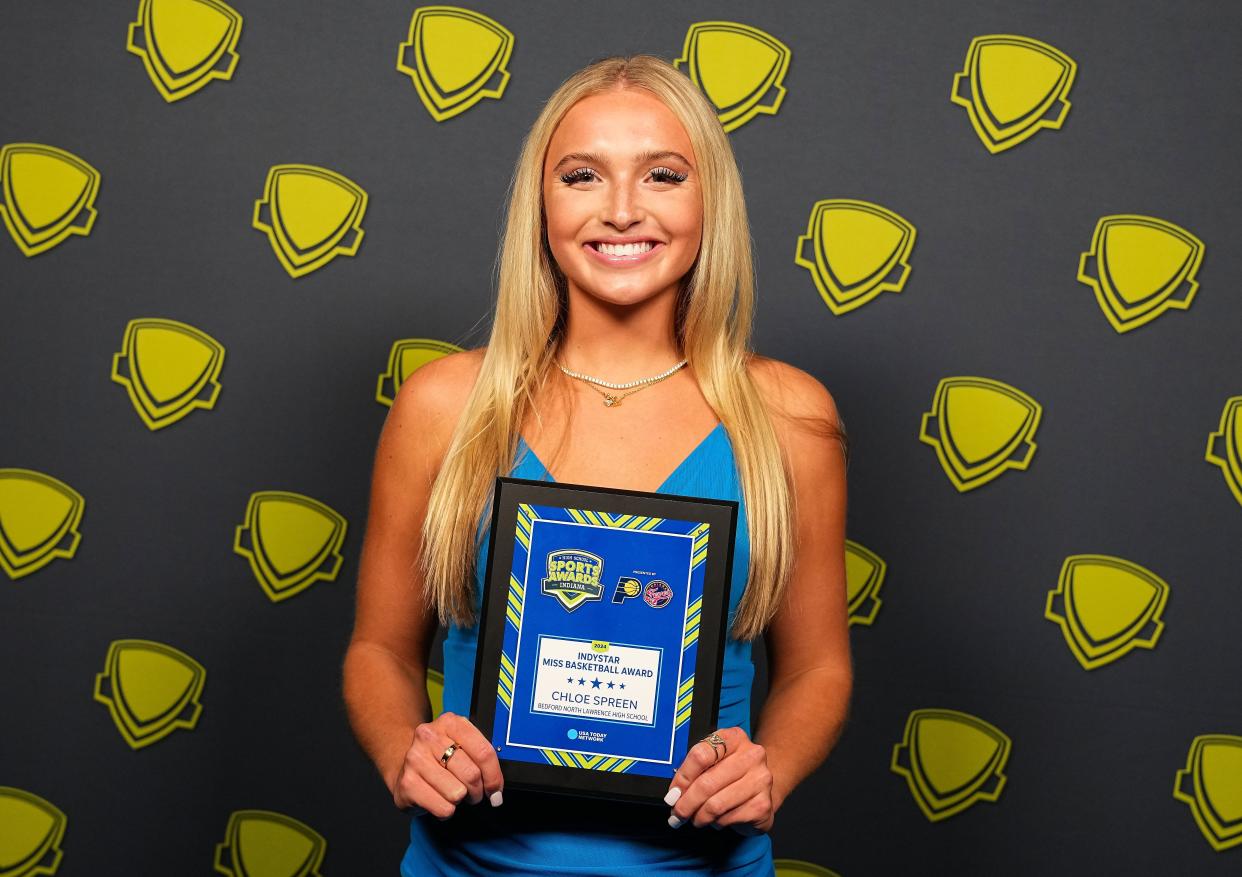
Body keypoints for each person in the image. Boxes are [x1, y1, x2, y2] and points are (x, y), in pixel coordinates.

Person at [342, 53, 852, 876]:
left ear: (708, 200)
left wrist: (771, 769)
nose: (622, 210)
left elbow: (820, 665)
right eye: (583, 175)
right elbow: (382, 649)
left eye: (662, 175)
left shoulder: (789, 417)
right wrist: (408, 748)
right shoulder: (445, 405)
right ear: (541, 205)